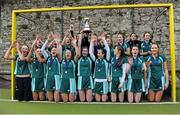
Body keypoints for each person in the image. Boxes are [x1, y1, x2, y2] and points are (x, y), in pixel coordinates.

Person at [41, 32, 62, 102]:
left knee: (56, 100)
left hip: (56, 77)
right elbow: (42, 50)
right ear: (50, 52)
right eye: (52, 50)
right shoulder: (48, 58)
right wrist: (48, 40)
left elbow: (59, 51)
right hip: (49, 77)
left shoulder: (58, 58)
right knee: (50, 99)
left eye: (55, 50)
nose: (54, 51)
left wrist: (57, 42)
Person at [89, 33, 110, 102]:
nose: (98, 54)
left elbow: (108, 50)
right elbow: (90, 53)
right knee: (98, 100)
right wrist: (92, 42)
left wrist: (104, 40)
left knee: (103, 100)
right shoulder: (95, 60)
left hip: (104, 81)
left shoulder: (106, 60)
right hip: (97, 81)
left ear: (103, 54)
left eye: (100, 53)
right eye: (97, 53)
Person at [60, 38, 79, 102]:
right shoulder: (62, 61)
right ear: (65, 54)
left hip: (71, 80)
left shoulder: (73, 61)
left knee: (71, 100)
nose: (68, 54)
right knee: (65, 100)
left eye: (69, 53)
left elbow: (78, 54)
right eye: (66, 53)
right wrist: (57, 43)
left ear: (71, 55)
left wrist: (75, 45)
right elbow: (58, 53)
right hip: (63, 80)